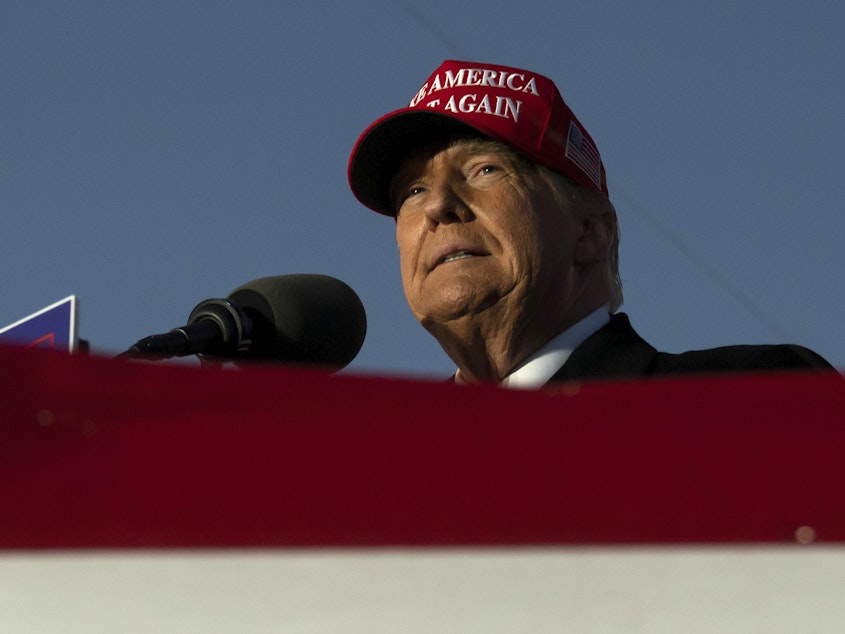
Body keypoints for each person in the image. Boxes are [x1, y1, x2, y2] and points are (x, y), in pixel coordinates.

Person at [347, 60, 833, 387]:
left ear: (590, 231)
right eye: (412, 191)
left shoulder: (752, 393)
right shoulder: (371, 467)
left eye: (485, 170)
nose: (437, 206)